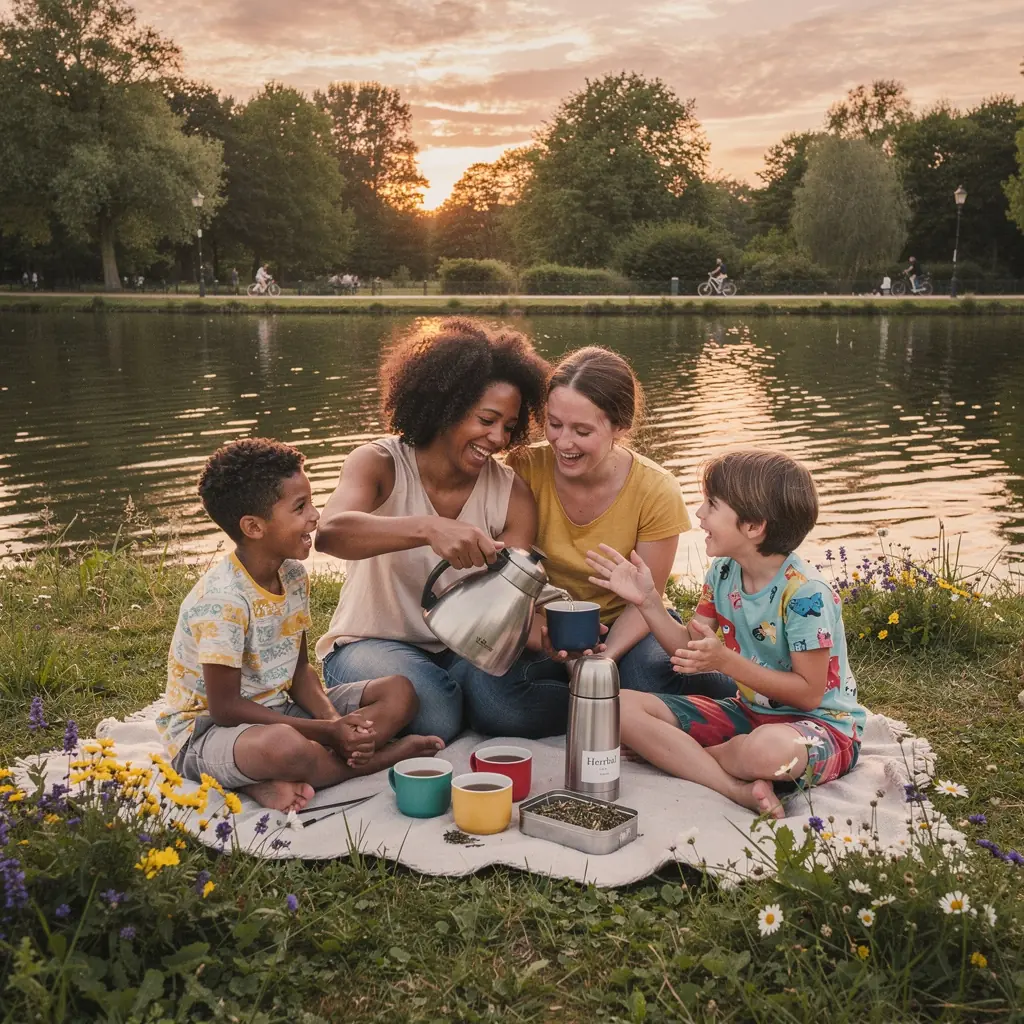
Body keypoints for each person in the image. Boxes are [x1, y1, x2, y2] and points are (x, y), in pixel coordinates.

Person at [458, 347, 734, 739]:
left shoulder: (655, 489)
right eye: (554, 424)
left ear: (619, 427)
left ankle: (650, 702)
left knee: (646, 675)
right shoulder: (522, 468)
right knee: (492, 703)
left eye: (582, 431)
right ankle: (615, 712)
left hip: (629, 627)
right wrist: (550, 641)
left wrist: (603, 658)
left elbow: (647, 598)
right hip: (542, 629)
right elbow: (507, 581)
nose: (563, 442)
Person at [156, 438, 441, 812]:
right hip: (206, 734)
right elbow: (225, 708)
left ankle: (282, 774)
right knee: (284, 747)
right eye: (300, 507)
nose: (316, 515)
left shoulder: (291, 574)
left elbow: (300, 669)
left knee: (400, 691)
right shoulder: (223, 600)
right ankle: (373, 760)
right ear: (254, 527)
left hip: (280, 708)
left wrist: (335, 722)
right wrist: (327, 733)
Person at [585, 449, 865, 819]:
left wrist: (726, 662)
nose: (699, 514)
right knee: (615, 705)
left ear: (753, 526)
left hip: (820, 728)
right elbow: (689, 649)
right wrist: (649, 601)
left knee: (764, 752)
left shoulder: (805, 595)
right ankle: (734, 787)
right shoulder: (722, 573)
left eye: (712, 505)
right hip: (748, 714)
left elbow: (809, 693)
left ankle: (685, 755)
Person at [314, 318, 550, 742]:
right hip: (370, 644)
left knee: (501, 707)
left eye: (509, 427)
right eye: (486, 419)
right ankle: (445, 700)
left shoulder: (511, 493)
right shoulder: (379, 463)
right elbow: (330, 533)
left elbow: (510, 607)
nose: (498, 438)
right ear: (446, 405)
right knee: (437, 714)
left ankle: (458, 698)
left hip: (463, 648)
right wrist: (428, 529)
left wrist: (550, 636)